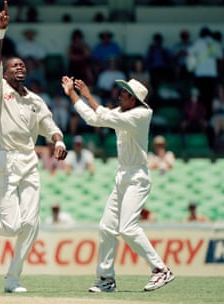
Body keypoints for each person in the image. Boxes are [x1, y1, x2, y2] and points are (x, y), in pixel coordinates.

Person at [0, 2, 68, 294]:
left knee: (31, 224)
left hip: (29, 160)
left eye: (22, 64)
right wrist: (1, 30)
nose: (19, 66)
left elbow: (49, 125)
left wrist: (58, 140)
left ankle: (13, 278)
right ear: (4, 73)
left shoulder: (35, 100)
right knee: (12, 225)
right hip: (4, 159)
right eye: (14, 65)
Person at [61, 76, 175, 292]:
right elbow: (93, 119)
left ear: (135, 99)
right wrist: (72, 94)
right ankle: (106, 279)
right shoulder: (122, 114)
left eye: (125, 92)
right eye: (121, 91)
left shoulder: (142, 114)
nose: (120, 94)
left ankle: (161, 270)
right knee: (106, 228)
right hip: (122, 176)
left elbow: (102, 114)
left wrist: (88, 95)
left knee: (128, 228)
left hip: (137, 178)